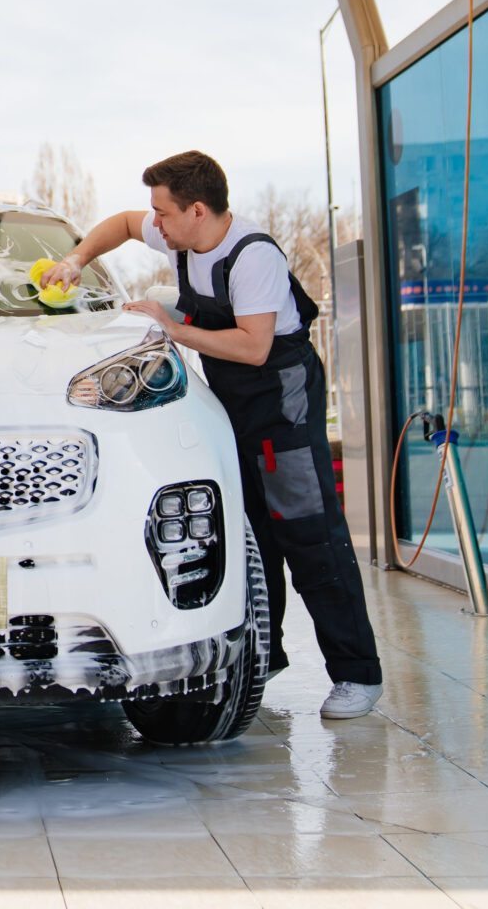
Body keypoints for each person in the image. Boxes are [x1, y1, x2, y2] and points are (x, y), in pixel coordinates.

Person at [44, 150, 383, 719]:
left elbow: (253, 347)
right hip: (236, 405)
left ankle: (357, 675)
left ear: (197, 211)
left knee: (307, 534)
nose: (154, 223)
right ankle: (264, 655)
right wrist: (78, 258)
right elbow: (123, 226)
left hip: (282, 406)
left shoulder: (253, 258)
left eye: (164, 213)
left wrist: (172, 328)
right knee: (251, 530)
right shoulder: (184, 237)